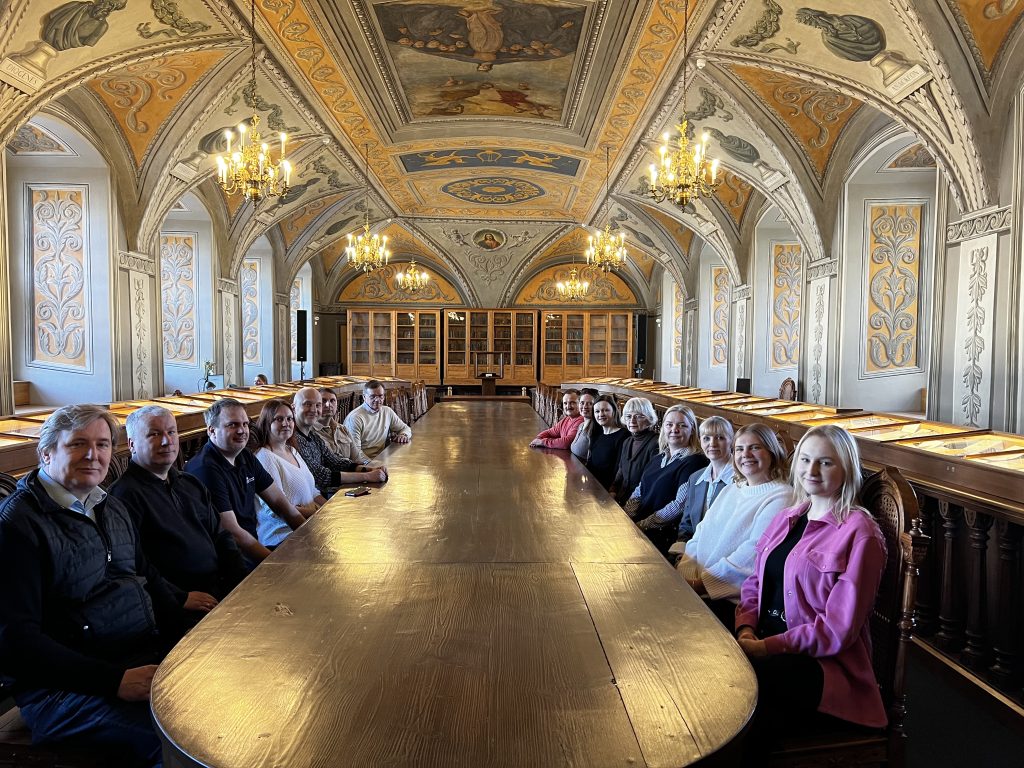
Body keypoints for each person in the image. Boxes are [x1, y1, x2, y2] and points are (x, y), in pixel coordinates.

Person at [0, 405, 182, 765]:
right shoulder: (17, 524)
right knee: (178, 744)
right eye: (77, 444)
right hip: (63, 691)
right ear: (46, 453)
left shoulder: (109, 506)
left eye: (102, 444)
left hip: (137, 657)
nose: (92, 455)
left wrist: (185, 639)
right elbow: (15, 641)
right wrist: (113, 680)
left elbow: (144, 576)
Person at [735, 425, 888, 752]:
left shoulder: (860, 532)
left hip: (822, 666)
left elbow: (837, 629)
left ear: (847, 469)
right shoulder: (787, 517)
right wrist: (745, 627)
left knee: (741, 705)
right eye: (805, 460)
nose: (811, 471)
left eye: (825, 462)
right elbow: (755, 582)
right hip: (763, 640)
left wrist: (766, 648)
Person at [110, 405, 247, 627]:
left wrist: (240, 579)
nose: (167, 441)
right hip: (178, 605)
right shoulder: (123, 496)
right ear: (132, 444)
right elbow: (136, 564)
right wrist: (179, 598)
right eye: (154, 434)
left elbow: (221, 536)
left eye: (171, 432)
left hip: (220, 587)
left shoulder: (190, 484)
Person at [676, 423, 791, 625]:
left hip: (727, 602)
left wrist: (700, 585)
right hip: (695, 587)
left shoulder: (782, 496)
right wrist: (684, 572)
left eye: (755, 447)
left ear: (772, 452)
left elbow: (752, 554)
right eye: (739, 449)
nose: (745, 454)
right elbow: (701, 532)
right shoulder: (732, 488)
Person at [185, 398, 307, 568]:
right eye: (232, 425)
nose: (242, 430)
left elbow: (281, 503)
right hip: (227, 562)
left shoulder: (245, 456)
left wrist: (309, 536)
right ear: (212, 430)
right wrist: (275, 564)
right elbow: (233, 533)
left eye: (245, 424)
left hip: (250, 550)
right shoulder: (205, 469)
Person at [627, 405, 709, 554]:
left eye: (682, 425)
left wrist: (641, 525)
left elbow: (679, 505)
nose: (674, 429)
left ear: (692, 430)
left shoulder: (695, 461)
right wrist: (627, 516)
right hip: (638, 529)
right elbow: (640, 490)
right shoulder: (658, 457)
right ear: (663, 427)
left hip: (661, 538)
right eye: (669, 424)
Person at [253, 400, 325, 548]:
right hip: (283, 536)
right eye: (279, 419)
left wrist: (330, 509)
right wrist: (319, 514)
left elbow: (313, 492)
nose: (286, 423)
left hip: (309, 524)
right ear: (267, 423)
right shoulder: (265, 457)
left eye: (289, 419)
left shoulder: (291, 450)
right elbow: (276, 510)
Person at [667, 416, 736, 562]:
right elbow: (686, 525)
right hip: (692, 554)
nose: (712, 444)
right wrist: (682, 554)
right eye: (706, 438)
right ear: (700, 441)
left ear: (731, 441)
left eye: (720, 438)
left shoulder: (739, 479)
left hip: (721, 559)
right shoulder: (696, 478)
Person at [294, 388, 387, 493]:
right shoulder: (295, 439)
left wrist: (370, 469)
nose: (313, 409)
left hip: (336, 488)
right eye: (307, 404)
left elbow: (336, 462)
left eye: (317, 405)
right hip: (324, 493)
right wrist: (367, 476)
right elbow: (322, 477)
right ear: (294, 408)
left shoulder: (313, 436)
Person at [343, 380, 412, 462]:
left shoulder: (387, 411)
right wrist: (372, 465)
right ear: (364, 397)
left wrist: (403, 435)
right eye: (372, 396)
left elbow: (405, 428)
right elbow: (355, 454)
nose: (377, 400)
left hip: (383, 458)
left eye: (380, 396)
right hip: (363, 463)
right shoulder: (355, 418)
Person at [610, 397, 660, 505]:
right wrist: (612, 491)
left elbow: (649, 483)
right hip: (621, 499)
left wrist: (628, 506)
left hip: (638, 504)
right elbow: (620, 471)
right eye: (628, 416)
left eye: (638, 416)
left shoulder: (655, 443)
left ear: (649, 418)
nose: (632, 420)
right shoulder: (627, 441)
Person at [580, 396, 628, 489]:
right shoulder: (597, 434)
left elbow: (618, 469)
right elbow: (590, 463)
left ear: (614, 411)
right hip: (591, 485)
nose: (601, 414)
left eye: (605, 410)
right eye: (597, 411)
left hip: (606, 489)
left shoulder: (623, 435)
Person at [315, 387, 369, 466]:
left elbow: (357, 459)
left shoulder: (343, 429)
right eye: (323, 401)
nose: (328, 405)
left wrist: (369, 470)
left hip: (353, 471)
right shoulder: (311, 433)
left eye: (332, 401)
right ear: (315, 405)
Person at [569, 387, 599, 460]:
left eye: (590, 404)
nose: (585, 406)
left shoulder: (595, 429)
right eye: (582, 403)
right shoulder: (581, 425)